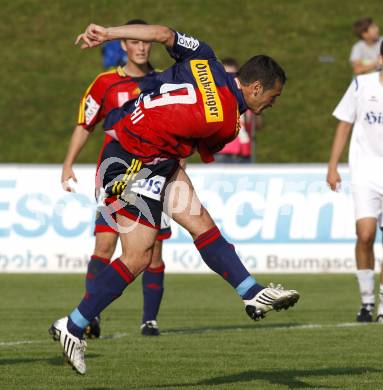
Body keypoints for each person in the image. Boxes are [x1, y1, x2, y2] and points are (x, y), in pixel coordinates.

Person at [50, 22, 300, 375]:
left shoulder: (205, 58)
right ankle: (72, 326)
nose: (271, 105)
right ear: (255, 88)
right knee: (137, 257)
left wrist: (108, 33)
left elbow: (165, 34)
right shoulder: (227, 124)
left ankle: (251, 292)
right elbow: (203, 140)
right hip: (131, 165)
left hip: (144, 154)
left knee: (201, 225)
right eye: (272, 98)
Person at [61, 19, 169, 338]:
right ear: (124, 44)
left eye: (145, 42)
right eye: (134, 42)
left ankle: (149, 320)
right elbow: (85, 124)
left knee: (152, 252)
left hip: (152, 176)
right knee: (105, 244)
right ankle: (90, 316)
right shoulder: (105, 83)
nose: (140, 47)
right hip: (115, 178)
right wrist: (68, 163)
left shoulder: (163, 83)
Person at [327, 41, 383, 323]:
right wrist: (333, 165)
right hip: (365, 171)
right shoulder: (362, 84)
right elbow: (344, 123)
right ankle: (367, 301)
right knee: (365, 235)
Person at [215, 57, 262, 163]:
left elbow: (258, 126)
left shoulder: (246, 98)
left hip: (245, 154)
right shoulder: (214, 98)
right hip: (222, 154)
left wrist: (256, 104)